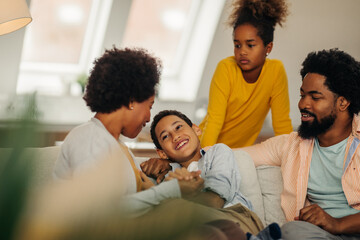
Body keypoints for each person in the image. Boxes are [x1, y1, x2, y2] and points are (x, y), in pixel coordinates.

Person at [53, 47, 204, 216]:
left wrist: (170, 176)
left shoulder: (115, 145)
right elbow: (100, 211)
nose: (148, 118)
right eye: (149, 106)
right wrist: (172, 190)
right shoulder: (89, 139)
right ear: (132, 100)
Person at [241, 49, 360, 239]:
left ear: (343, 102)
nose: (303, 104)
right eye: (302, 95)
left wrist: (337, 223)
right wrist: (185, 154)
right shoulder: (291, 145)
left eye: (315, 97)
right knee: (292, 230)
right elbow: (236, 156)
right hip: (319, 235)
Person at [150, 110, 282, 240]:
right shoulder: (168, 175)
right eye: (165, 136)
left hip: (235, 216)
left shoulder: (218, 152)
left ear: (196, 129)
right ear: (162, 153)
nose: (175, 136)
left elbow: (216, 199)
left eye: (178, 127)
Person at [198, 0, 293, 148]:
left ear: (268, 48)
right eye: (237, 45)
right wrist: (203, 157)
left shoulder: (275, 71)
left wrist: (291, 159)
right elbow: (214, 120)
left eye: (250, 45)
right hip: (203, 145)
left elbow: (282, 124)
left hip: (236, 154)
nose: (242, 51)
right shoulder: (226, 68)